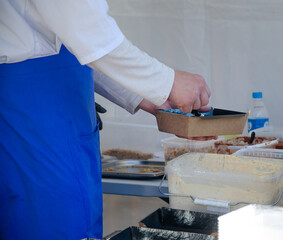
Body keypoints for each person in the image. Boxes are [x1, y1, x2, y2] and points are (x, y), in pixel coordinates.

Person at [0, 0, 211, 239]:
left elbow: (79, 45)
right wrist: (167, 82)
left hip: (51, 105)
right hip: (36, 114)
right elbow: (87, 30)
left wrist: (145, 96)